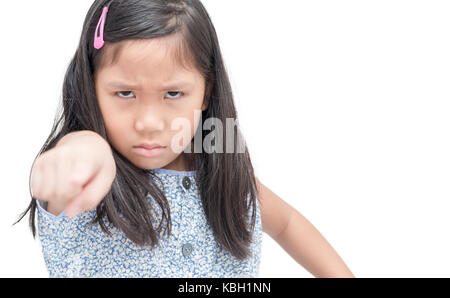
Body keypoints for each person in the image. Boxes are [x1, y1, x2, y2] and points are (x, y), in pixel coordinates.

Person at [15, 0, 354, 278]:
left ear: (206, 92)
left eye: (174, 93)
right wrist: (82, 151)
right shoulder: (87, 180)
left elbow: (288, 224)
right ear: (91, 87)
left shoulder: (226, 182)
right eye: (125, 93)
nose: (148, 122)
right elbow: (74, 161)